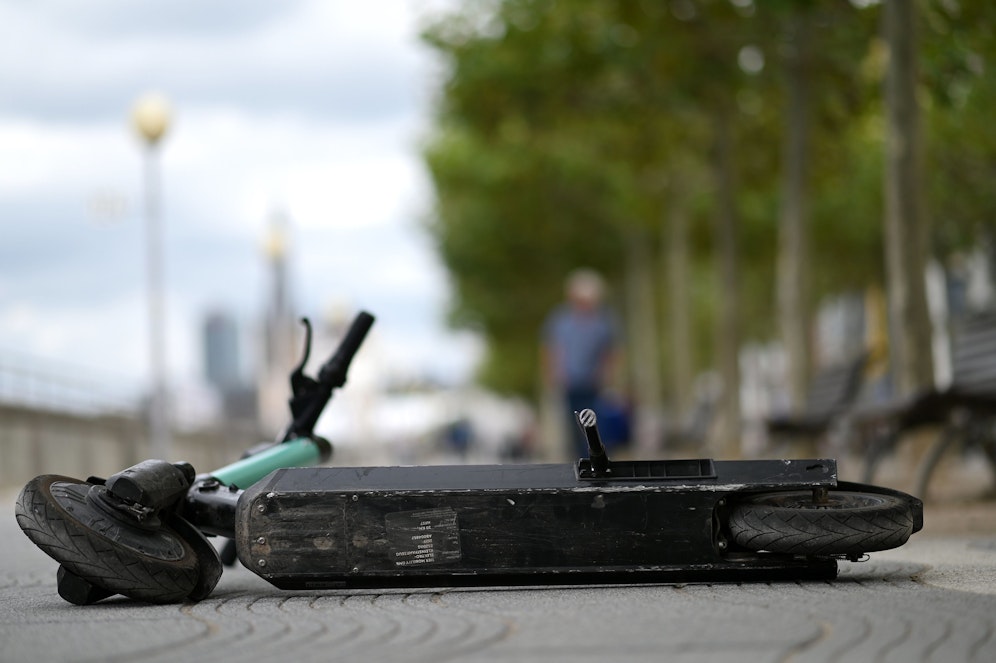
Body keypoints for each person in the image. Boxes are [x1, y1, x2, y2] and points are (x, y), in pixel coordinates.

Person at [542, 269, 621, 459]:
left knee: (596, 423)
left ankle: (597, 456)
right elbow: (551, 348)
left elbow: (611, 350)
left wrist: (608, 373)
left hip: (594, 383)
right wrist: (553, 373)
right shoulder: (561, 320)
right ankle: (579, 458)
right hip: (570, 382)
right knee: (573, 423)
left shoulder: (604, 321)